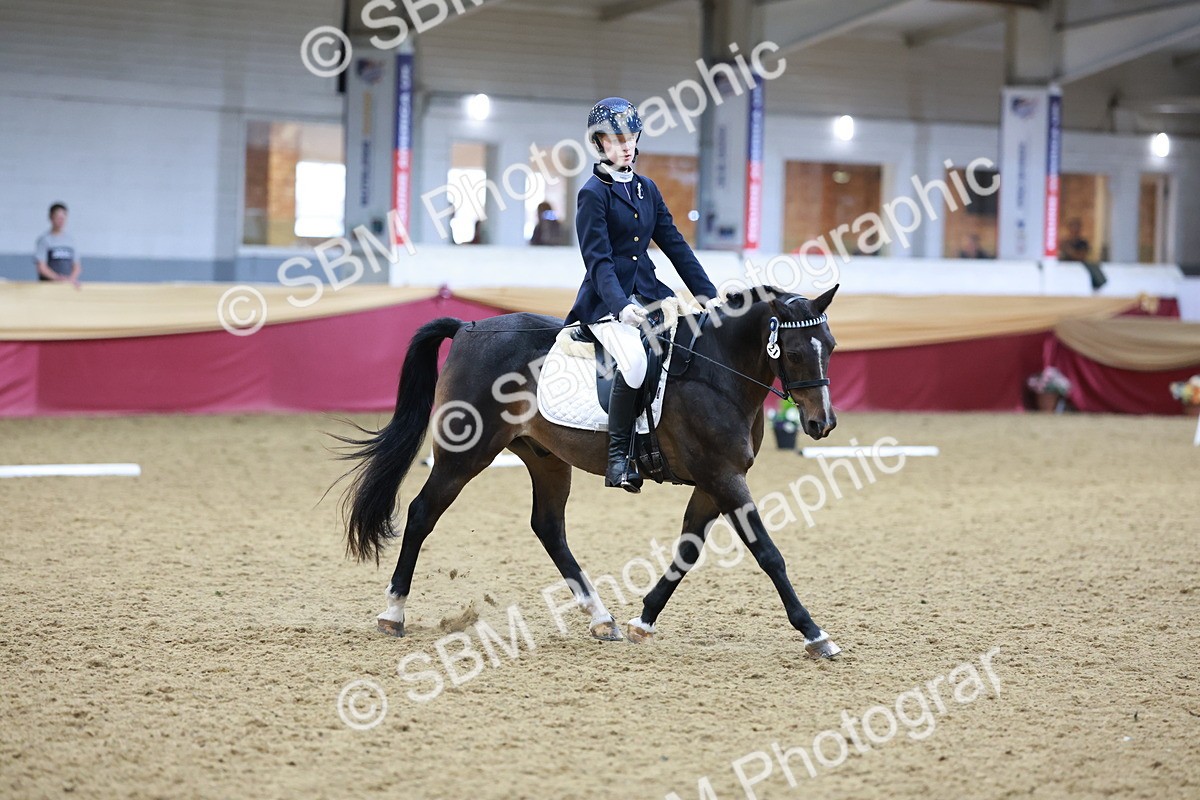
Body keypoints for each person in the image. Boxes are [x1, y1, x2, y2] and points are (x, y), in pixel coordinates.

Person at [564, 97, 719, 493]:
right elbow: (597, 262)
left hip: (652, 296)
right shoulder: (591, 194)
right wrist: (621, 306)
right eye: (615, 140)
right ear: (599, 144)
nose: (626, 146)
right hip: (606, 302)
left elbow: (675, 244)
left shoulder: (646, 189)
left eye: (630, 137)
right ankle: (618, 459)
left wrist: (707, 294)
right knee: (633, 361)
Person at [35, 203, 82, 287]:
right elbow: (41, 267)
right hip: (48, 286)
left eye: (63, 218)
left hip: (67, 286)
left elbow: (77, 266)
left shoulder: (70, 241)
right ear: (51, 218)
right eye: (58, 218)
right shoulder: (44, 240)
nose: (61, 221)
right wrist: (57, 278)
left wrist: (71, 279)